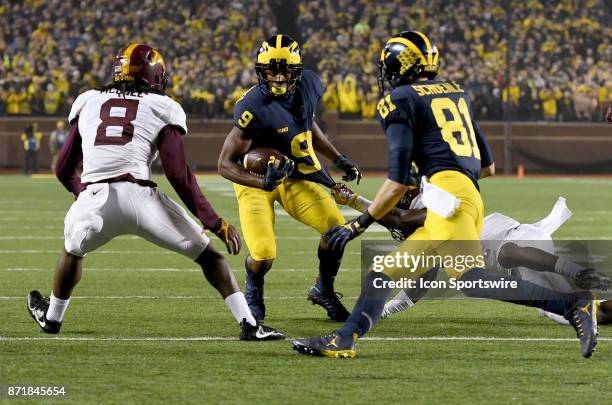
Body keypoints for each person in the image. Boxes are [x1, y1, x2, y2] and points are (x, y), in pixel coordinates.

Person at [292, 31, 599, 358]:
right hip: (464, 195)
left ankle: (572, 304)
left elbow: (396, 183)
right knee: (382, 273)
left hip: (446, 198)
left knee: (473, 280)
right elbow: (488, 167)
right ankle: (345, 339)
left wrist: (359, 223)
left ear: (399, 66)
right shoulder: (457, 93)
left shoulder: (399, 100)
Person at [26, 43, 284, 341]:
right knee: (210, 258)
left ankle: (52, 319)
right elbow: (178, 174)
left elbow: (62, 167)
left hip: (95, 199)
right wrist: (214, 222)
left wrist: (83, 194)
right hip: (141, 198)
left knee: (72, 251)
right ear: (155, 75)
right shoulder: (163, 106)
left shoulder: (88, 100)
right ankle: (249, 325)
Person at [218, 34, 362, 322]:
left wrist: (336, 157)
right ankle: (254, 291)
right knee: (263, 254)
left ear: (298, 71)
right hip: (255, 179)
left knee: (336, 231)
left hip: (294, 177)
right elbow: (224, 164)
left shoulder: (309, 85)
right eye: (272, 69)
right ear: (261, 70)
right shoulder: (252, 106)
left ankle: (324, 289)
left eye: (286, 70)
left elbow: (307, 127)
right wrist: (262, 182)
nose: (280, 77)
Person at [330, 185, 611, 322]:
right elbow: (416, 289)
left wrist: (357, 202)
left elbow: (400, 218)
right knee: (580, 312)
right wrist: (382, 311)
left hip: (521, 244)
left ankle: (577, 275)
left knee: (508, 257)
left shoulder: (436, 212)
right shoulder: (441, 234)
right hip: (526, 248)